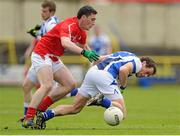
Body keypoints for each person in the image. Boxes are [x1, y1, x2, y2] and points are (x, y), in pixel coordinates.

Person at [22, 5, 99, 128]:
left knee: (70, 84)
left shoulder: (82, 32)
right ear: (83, 17)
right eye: (92, 19)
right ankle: (28, 117)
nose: (94, 23)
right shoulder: (69, 25)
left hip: (53, 57)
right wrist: (85, 53)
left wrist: (95, 59)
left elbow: (84, 47)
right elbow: (66, 43)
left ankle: (41, 109)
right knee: (46, 85)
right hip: (42, 53)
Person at [35, 51, 157, 129]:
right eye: (147, 72)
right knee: (122, 113)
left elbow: (102, 58)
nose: (145, 75)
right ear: (144, 63)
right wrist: (123, 86)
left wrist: (94, 73)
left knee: (75, 108)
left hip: (93, 72)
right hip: (105, 76)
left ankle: (45, 116)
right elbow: (123, 71)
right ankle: (101, 100)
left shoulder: (127, 54)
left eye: (148, 75)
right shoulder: (138, 63)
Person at [20, 0, 60, 122]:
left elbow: (53, 39)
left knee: (48, 87)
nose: (42, 13)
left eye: (44, 11)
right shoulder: (46, 22)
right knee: (26, 86)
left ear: (51, 12)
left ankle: (29, 117)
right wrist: (36, 34)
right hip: (41, 57)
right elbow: (43, 36)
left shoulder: (51, 24)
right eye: (41, 11)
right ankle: (27, 116)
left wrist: (38, 36)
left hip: (45, 58)